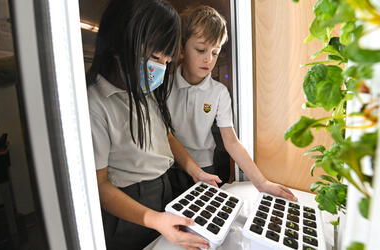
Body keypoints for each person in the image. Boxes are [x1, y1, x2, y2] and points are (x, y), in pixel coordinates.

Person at [86, 1, 221, 249]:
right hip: (128, 206)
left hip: (165, 189)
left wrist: (194, 170)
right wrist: (155, 219)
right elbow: (100, 186)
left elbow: (167, 137)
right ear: (120, 41)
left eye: (166, 62)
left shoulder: (145, 92)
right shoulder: (96, 104)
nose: (159, 70)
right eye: (155, 57)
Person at [167, 5, 297, 201]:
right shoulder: (164, 86)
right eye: (201, 50)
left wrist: (262, 182)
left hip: (205, 168)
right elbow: (164, 135)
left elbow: (232, 142)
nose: (208, 59)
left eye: (215, 52)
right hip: (170, 168)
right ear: (182, 49)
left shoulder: (218, 93)